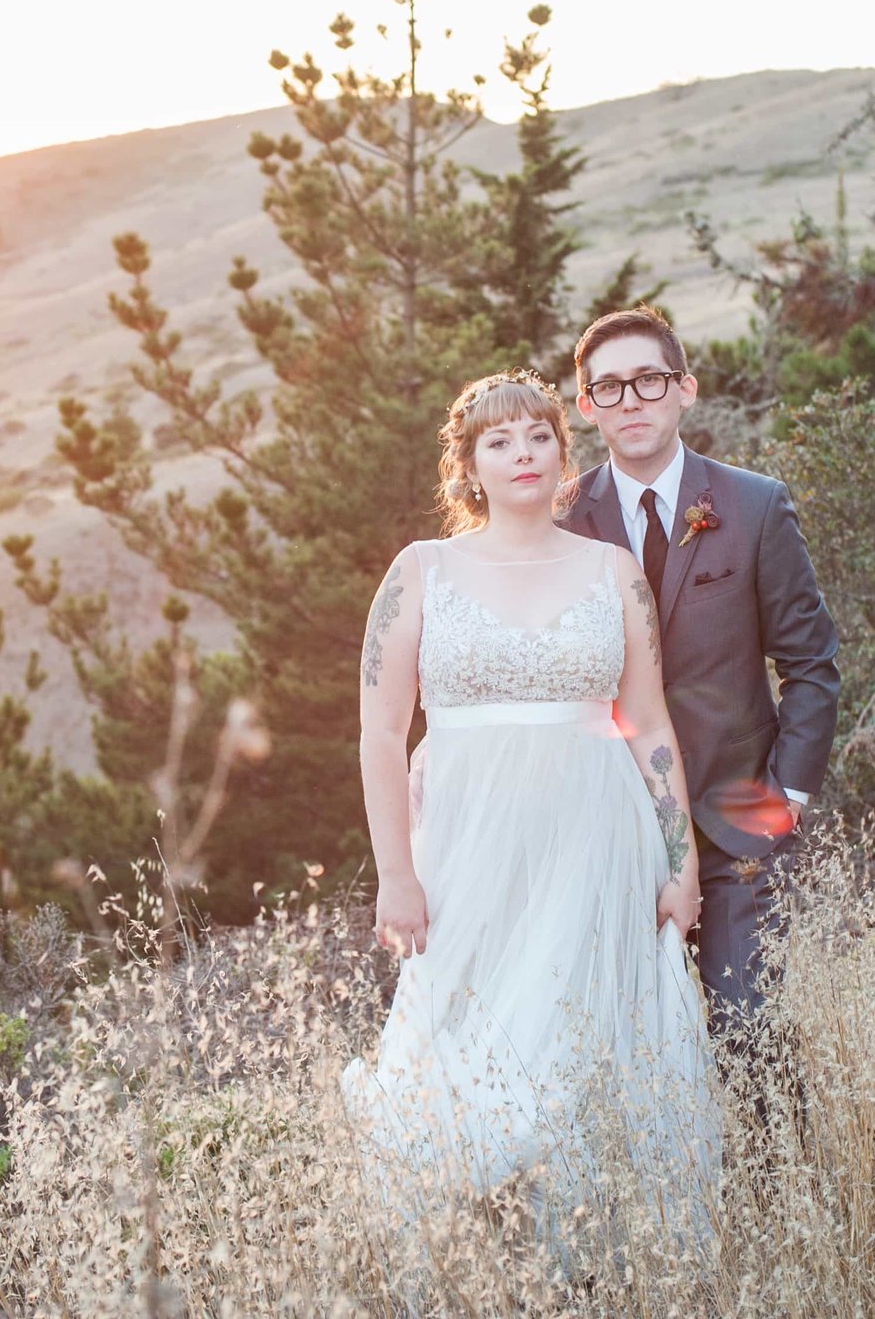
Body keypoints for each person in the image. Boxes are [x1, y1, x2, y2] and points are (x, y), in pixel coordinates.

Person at [340, 368, 717, 1240]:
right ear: (467, 466)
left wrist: (681, 861)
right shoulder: (421, 571)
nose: (522, 454)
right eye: (499, 442)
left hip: (597, 837)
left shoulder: (612, 572)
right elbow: (379, 732)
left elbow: (650, 724)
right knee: (462, 1042)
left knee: (581, 1040)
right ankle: (474, 1253)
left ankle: (590, 1250)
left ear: (563, 454)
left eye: (539, 437)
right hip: (467, 845)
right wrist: (396, 874)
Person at [557, 306, 840, 1037]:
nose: (632, 401)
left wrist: (786, 800)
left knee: (751, 1038)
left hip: (737, 825)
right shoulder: (559, 522)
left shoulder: (752, 505)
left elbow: (810, 664)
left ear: (685, 388)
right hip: (606, 830)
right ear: (587, 408)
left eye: (648, 380)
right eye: (610, 388)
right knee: (624, 1048)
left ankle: (776, 1160)